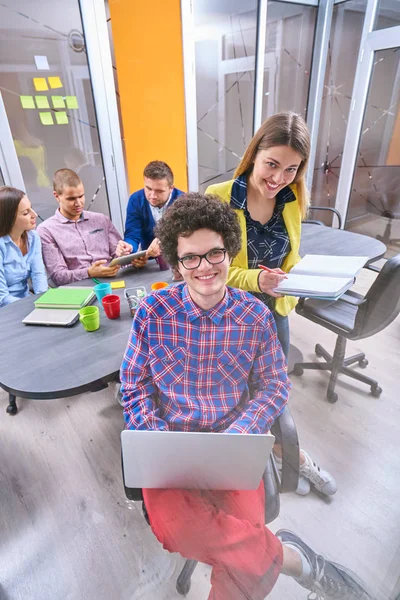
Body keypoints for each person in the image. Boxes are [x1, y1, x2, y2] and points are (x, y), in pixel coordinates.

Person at [120, 193, 372, 600]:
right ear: (175, 261)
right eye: (191, 257)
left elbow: (274, 386)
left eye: (215, 252)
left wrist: (240, 431)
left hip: (232, 448)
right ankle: (295, 560)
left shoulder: (255, 316)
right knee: (182, 530)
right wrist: (156, 436)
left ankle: (287, 559)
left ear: (229, 250)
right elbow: (132, 385)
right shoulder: (153, 311)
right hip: (169, 449)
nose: (205, 267)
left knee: (240, 562)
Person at [206, 111, 336, 497]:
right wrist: (256, 280)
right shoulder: (220, 199)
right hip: (228, 317)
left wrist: (296, 279)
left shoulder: (293, 200)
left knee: (272, 391)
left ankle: (286, 454)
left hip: (274, 316)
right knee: (232, 396)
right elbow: (208, 270)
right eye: (272, 164)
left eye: (291, 169)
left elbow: (291, 257)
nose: (279, 178)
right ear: (254, 154)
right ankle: (247, 465)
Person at [37, 169, 129, 286]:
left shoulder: (101, 220)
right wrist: (89, 272)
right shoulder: (46, 230)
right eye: (71, 199)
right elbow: (58, 276)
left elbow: (119, 256)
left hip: (115, 281)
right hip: (79, 288)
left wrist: (127, 256)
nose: (78, 203)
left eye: (81, 196)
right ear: (57, 196)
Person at [123, 160, 183, 268]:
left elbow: (187, 235)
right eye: (148, 189)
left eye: (159, 191)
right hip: (149, 265)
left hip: (180, 262)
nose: (152, 195)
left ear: (171, 188)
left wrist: (164, 241)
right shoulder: (135, 200)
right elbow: (132, 235)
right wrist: (129, 248)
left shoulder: (183, 201)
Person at [0, 186, 48, 307]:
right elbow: (3, 298)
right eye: (26, 213)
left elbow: (38, 275)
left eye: (31, 208)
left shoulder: (33, 237)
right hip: (6, 310)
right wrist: (33, 306)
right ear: (9, 218)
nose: (34, 215)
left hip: (28, 302)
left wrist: (45, 302)